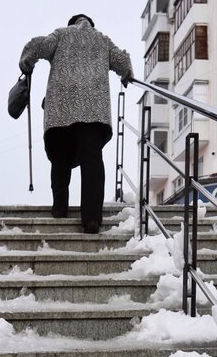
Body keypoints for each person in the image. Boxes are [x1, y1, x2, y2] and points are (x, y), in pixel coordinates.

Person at [19, 14, 133, 234]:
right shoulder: (103, 40)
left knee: (60, 159)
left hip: (61, 110)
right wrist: (127, 74)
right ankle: (91, 218)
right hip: (93, 111)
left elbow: (38, 45)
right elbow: (122, 62)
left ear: (72, 23)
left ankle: (60, 209)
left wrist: (26, 61)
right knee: (92, 162)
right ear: (90, 24)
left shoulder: (61, 34)